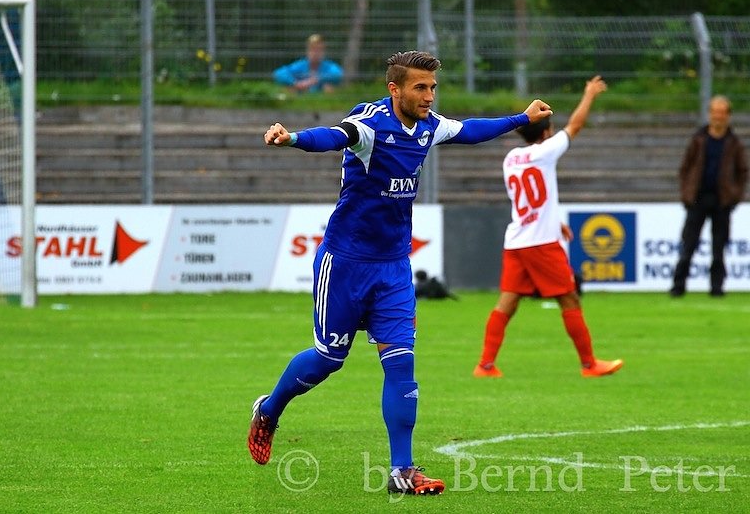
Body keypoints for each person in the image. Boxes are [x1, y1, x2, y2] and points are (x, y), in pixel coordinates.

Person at [248, 50, 553, 495]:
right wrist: (292, 138)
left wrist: (521, 118)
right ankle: (269, 411)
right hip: (345, 262)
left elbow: (469, 131)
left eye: (432, 88)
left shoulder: (429, 126)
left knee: (401, 363)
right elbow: (333, 136)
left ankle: (402, 471)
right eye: (420, 88)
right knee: (329, 359)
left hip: (393, 267)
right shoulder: (370, 125)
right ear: (395, 89)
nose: (429, 96)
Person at [473, 75, 623, 379]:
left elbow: (529, 199)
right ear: (547, 131)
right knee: (569, 298)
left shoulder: (511, 158)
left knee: (507, 302)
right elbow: (576, 126)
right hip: (540, 242)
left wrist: (556, 222)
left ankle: (485, 365)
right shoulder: (545, 152)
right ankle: (589, 364)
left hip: (517, 239)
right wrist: (589, 94)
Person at [670, 95, 748, 298]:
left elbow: (742, 172)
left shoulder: (734, 143)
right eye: (715, 112)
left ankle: (717, 287)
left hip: (722, 200)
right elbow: (685, 168)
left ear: (728, 116)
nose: (718, 117)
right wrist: (686, 193)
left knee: (719, 248)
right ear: (709, 114)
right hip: (697, 198)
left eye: (721, 113)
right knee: (688, 244)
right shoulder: (699, 139)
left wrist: (734, 196)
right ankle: (678, 286)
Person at [272, 34, 344, 94]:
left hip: (322, 98)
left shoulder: (329, 66)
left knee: (328, 87)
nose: (315, 53)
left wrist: (315, 80)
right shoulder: (301, 65)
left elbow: (337, 74)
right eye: (312, 49)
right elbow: (278, 73)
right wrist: (296, 83)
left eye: (318, 50)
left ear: (323, 51)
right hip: (301, 96)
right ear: (307, 51)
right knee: (289, 88)